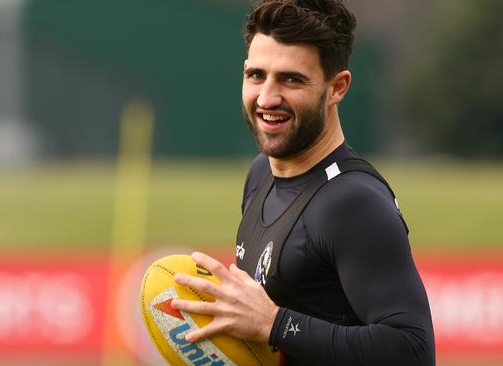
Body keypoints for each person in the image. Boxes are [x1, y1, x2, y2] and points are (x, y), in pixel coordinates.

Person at [171, 0, 435, 364]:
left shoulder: (352, 201)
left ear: (337, 88)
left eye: (291, 79)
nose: (267, 98)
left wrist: (275, 324)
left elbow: (413, 349)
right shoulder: (260, 174)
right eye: (256, 75)